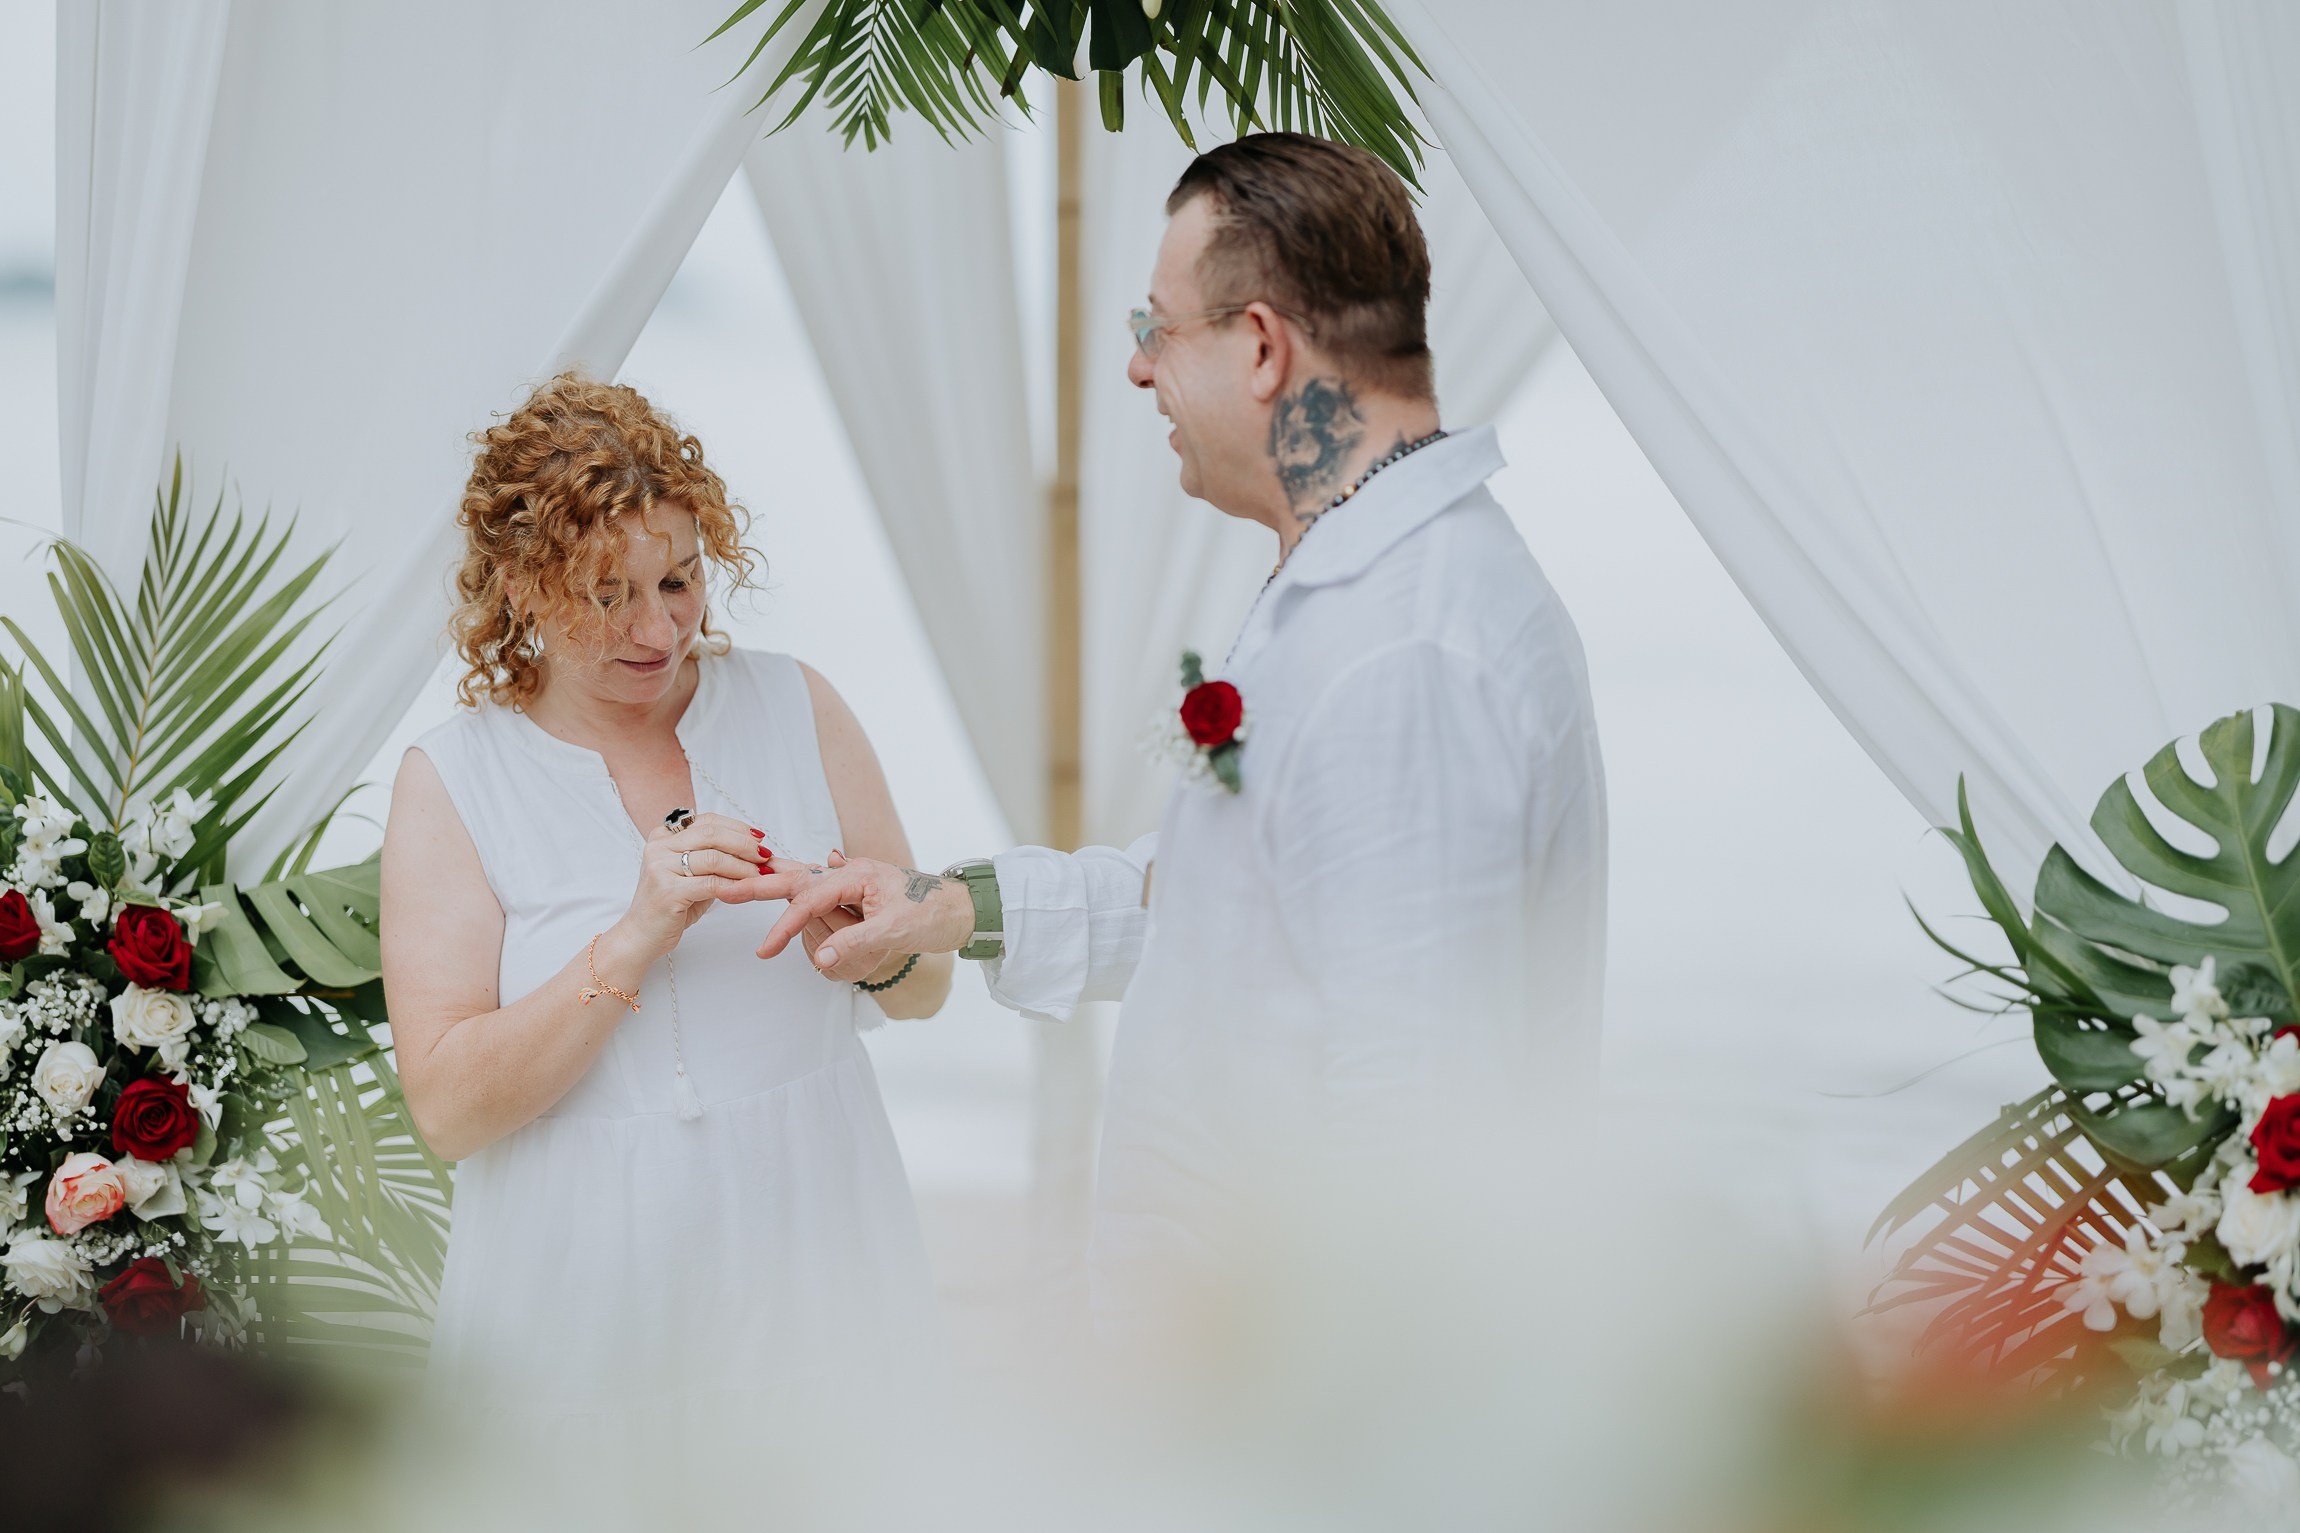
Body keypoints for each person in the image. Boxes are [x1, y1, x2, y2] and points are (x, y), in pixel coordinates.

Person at [746, 133, 1608, 1344]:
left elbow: (1411, 1143)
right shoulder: (1351, 592)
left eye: (1156, 331)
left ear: (1259, 347)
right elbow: (1216, 909)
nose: (1140, 374)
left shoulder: (1405, 655)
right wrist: (940, 908)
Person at [379, 375, 947, 1428]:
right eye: (607, 596)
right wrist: (632, 940)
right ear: (517, 586)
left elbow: (924, 993)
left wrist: (872, 948)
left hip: (816, 1237)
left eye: (679, 581)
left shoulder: (796, 705)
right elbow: (449, 1111)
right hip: (578, 1273)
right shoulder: (455, 780)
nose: (657, 630)